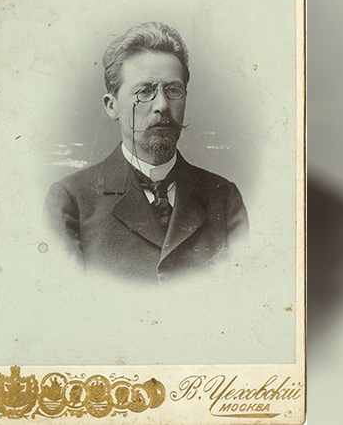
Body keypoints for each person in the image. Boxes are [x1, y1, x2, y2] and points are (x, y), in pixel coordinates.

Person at [43, 22, 249, 283]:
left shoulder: (224, 198)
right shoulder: (71, 201)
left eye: (173, 90)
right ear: (112, 106)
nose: (162, 105)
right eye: (145, 92)